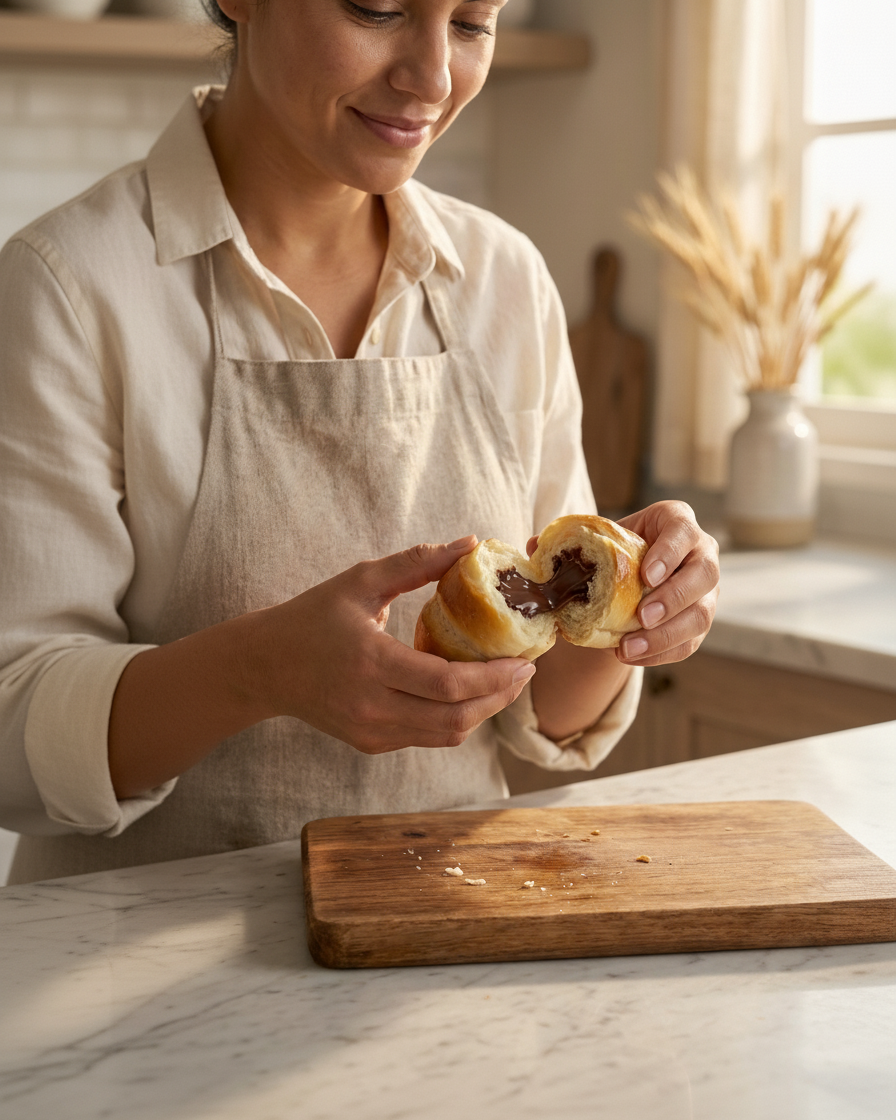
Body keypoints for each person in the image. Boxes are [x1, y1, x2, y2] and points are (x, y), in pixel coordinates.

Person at [0, 0, 719, 884]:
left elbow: (551, 717)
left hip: (443, 942)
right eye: (378, 9)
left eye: (472, 22)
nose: (433, 76)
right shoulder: (67, 289)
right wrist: (257, 672)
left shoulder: (503, 279)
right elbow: (14, 739)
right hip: (136, 976)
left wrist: (639, 607)